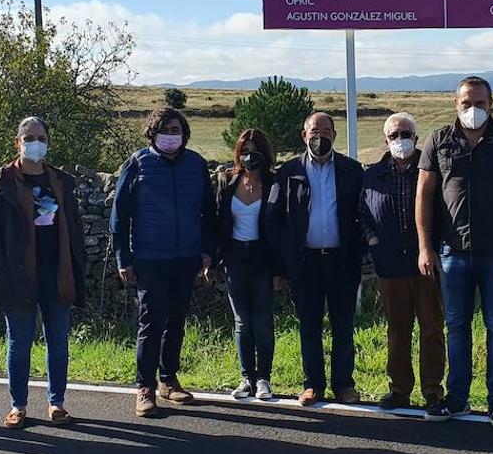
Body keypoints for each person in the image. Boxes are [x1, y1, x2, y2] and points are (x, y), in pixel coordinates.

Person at [417, 76, 493, 428]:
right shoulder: (438, 139)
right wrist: (425, 246)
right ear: (456, 103)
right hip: (452, 253)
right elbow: (424, 196)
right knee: (456, 326)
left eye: (480, 103)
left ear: (491, 104)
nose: (473, 110)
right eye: (466, 103)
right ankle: (457, 397)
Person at [0, 116, 87, 428]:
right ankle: (18, 406)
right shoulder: (0, 180)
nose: (34, 143)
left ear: (48, 142)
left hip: (57, 272)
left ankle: (57, 403)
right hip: (18, 275)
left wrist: (75, 262)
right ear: (18, 143)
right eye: (28, 138)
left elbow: (75, 226)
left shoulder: (61, 181)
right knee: (20, 342)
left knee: (58, 340)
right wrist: (2, 269)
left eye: (40, 137)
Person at [111, 107, 216, 418]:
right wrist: (123, 258)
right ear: (153, 133)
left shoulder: (196, 164)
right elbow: (120, 216)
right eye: (166, 130)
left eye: (177, 130)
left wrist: (207, 250)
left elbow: (208, 212)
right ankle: (144, 387)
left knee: (176, 322)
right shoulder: (137, 163)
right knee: (151, 322)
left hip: (186, 257)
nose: (172, 136)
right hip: (149, 257)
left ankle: (168, 380)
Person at [268, 112, 366, 406]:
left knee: (343, 326)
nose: (319, 136)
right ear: (304, 135)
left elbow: (365, 214)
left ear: (335, 135)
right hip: (305, 262)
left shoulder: (352, 170)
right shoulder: (288, 172)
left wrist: (359, 250)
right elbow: (275, 221)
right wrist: (282, 264)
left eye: (326, 130)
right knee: (309, 326)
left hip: (342, 260)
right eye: (314, 130)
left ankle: (344, 384)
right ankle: (313, 385)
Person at [359, 113, 445, 411]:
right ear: (386, 140)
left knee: (432, 329)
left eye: (406, 134)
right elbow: (362, 215)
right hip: (390, 266)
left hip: (426, 265)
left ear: (416, 137)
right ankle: (399, 390)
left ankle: (433, 390)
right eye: (394, 135)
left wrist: (435, 248)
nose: (400, 140)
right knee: (397, 330)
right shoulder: (372, 175)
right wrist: (373, 242)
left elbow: (445, 212)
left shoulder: (431, 168)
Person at [214, 128, 279, 401]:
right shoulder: (226, 182)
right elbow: (216, 221)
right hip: (235, 258)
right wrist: (211, 257)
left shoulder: (275, 183)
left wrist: (280, 269)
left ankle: (263, 378)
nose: (250, 155)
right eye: (245, 150)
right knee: (242, 320)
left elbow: (282, 227)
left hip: (264, 258)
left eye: (256, 150)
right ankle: (246, 378)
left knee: (263, 320)